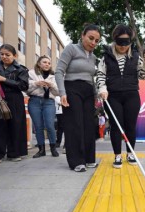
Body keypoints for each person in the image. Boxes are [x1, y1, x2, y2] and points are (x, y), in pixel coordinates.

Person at [97, 24, 145, 169]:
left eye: (126, 42)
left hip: (132, 95)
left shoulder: (136, 56)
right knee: (116, 125)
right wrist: (102, 89)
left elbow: (143, 76)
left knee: (130, 126)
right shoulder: (106, 57)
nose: (123, 46)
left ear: (130, 42)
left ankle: (130, 153)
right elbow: (101, 75)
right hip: (112, 95)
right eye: (120, 42)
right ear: (115, 40)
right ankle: (117, 155)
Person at [55, 24, 101, 172]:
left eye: (97, 40)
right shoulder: (71, 49)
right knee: (75, 124)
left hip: (88, 91)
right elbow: (59, 71)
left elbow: (92, 79)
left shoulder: (94, 57)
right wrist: (62, 93)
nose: (93, 42)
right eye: (91, 38)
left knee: (89, 125)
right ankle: (76, 161)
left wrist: (95, 97)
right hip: (71, 88)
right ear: (83, 36)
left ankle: (89, 159)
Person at [0, 44, 29, 163]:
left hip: (14, 98)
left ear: (14, 56)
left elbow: (23, 86)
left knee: (16, 126)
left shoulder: (21, 69)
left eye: (7, 54)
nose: (4, 56)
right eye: (2, 54)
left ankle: (14, 153)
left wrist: (4, 80)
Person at [27, 55, 59, 158]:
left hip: (49, 102)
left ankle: (53, 148)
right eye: (45, 62)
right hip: (34, 101)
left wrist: (52, 85)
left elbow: (58, 92)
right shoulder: (31, 73)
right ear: (39, 64)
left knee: (50, 125)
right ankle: (41, 150)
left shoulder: (54, 76)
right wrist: (36, 83)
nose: (47, 64)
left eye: (49, 63)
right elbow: (26, 88)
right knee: (38, 126)